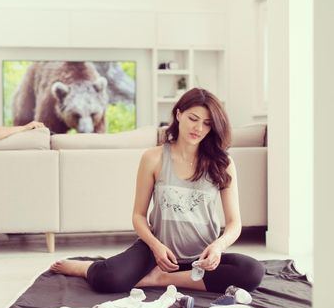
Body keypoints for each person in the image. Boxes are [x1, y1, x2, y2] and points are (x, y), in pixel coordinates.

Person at [50, 88, 265, 294]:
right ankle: (85, 267)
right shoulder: (153, 158)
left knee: (252, 272)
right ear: (178, 114)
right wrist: (155, 246)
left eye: (207, 123)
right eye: (193, 118)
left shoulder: (222, 163)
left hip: (201, 257)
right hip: (157, 252)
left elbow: (234, 223)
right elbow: (138, 216)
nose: (198, 128)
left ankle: (162, 278)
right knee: (111, 279)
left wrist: (218, 246)